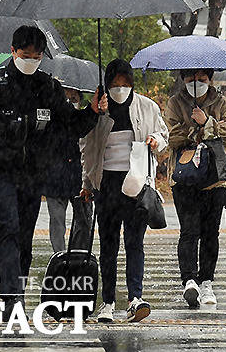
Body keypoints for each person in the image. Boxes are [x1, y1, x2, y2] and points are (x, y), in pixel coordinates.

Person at [0, 26, 104, 321]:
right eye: (25, 55)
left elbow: (70, 124)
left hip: (33, 174)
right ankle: (12, 300)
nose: (30, 61)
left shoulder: (48, 86)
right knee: (7, 229)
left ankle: (16, 286)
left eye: (36, 56)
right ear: (13, 52)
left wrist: (92, 111)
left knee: (24, 237)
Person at [81, 59, 168, 323]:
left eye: (125, 84)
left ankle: (135, 298)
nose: (121, 89)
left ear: (132, 83)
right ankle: (107, 302)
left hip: (136, 183)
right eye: (115, 84)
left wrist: (156, 141)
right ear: (107, 84)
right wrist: (86, 184)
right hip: (106, 184)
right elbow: (88, 149)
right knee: (108, 245)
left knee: (134, 242)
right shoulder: (98, 108)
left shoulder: (147, 106)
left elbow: (162, 134)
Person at [165, 68, 226, 307]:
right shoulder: (175, 103)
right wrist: (197, 131)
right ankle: (189, 281)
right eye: (190, 79)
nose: (196, 83)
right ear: (183, 79)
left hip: (216, 178)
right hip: (184, 176)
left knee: (210, 232)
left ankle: (206, 281)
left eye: (202, 79)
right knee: (189, 230)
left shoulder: (223, 102)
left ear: (210, 79)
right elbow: (171, 135)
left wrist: (206, 122)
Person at [44, 87, 84, 253]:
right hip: (55, 177)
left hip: (80, 177)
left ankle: (78, 254)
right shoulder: (50, 121)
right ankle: (59, 254)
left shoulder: (84, 120)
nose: (70, 102)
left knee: (83, 220)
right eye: (66, 98)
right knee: (57, 221)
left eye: (74, 98)